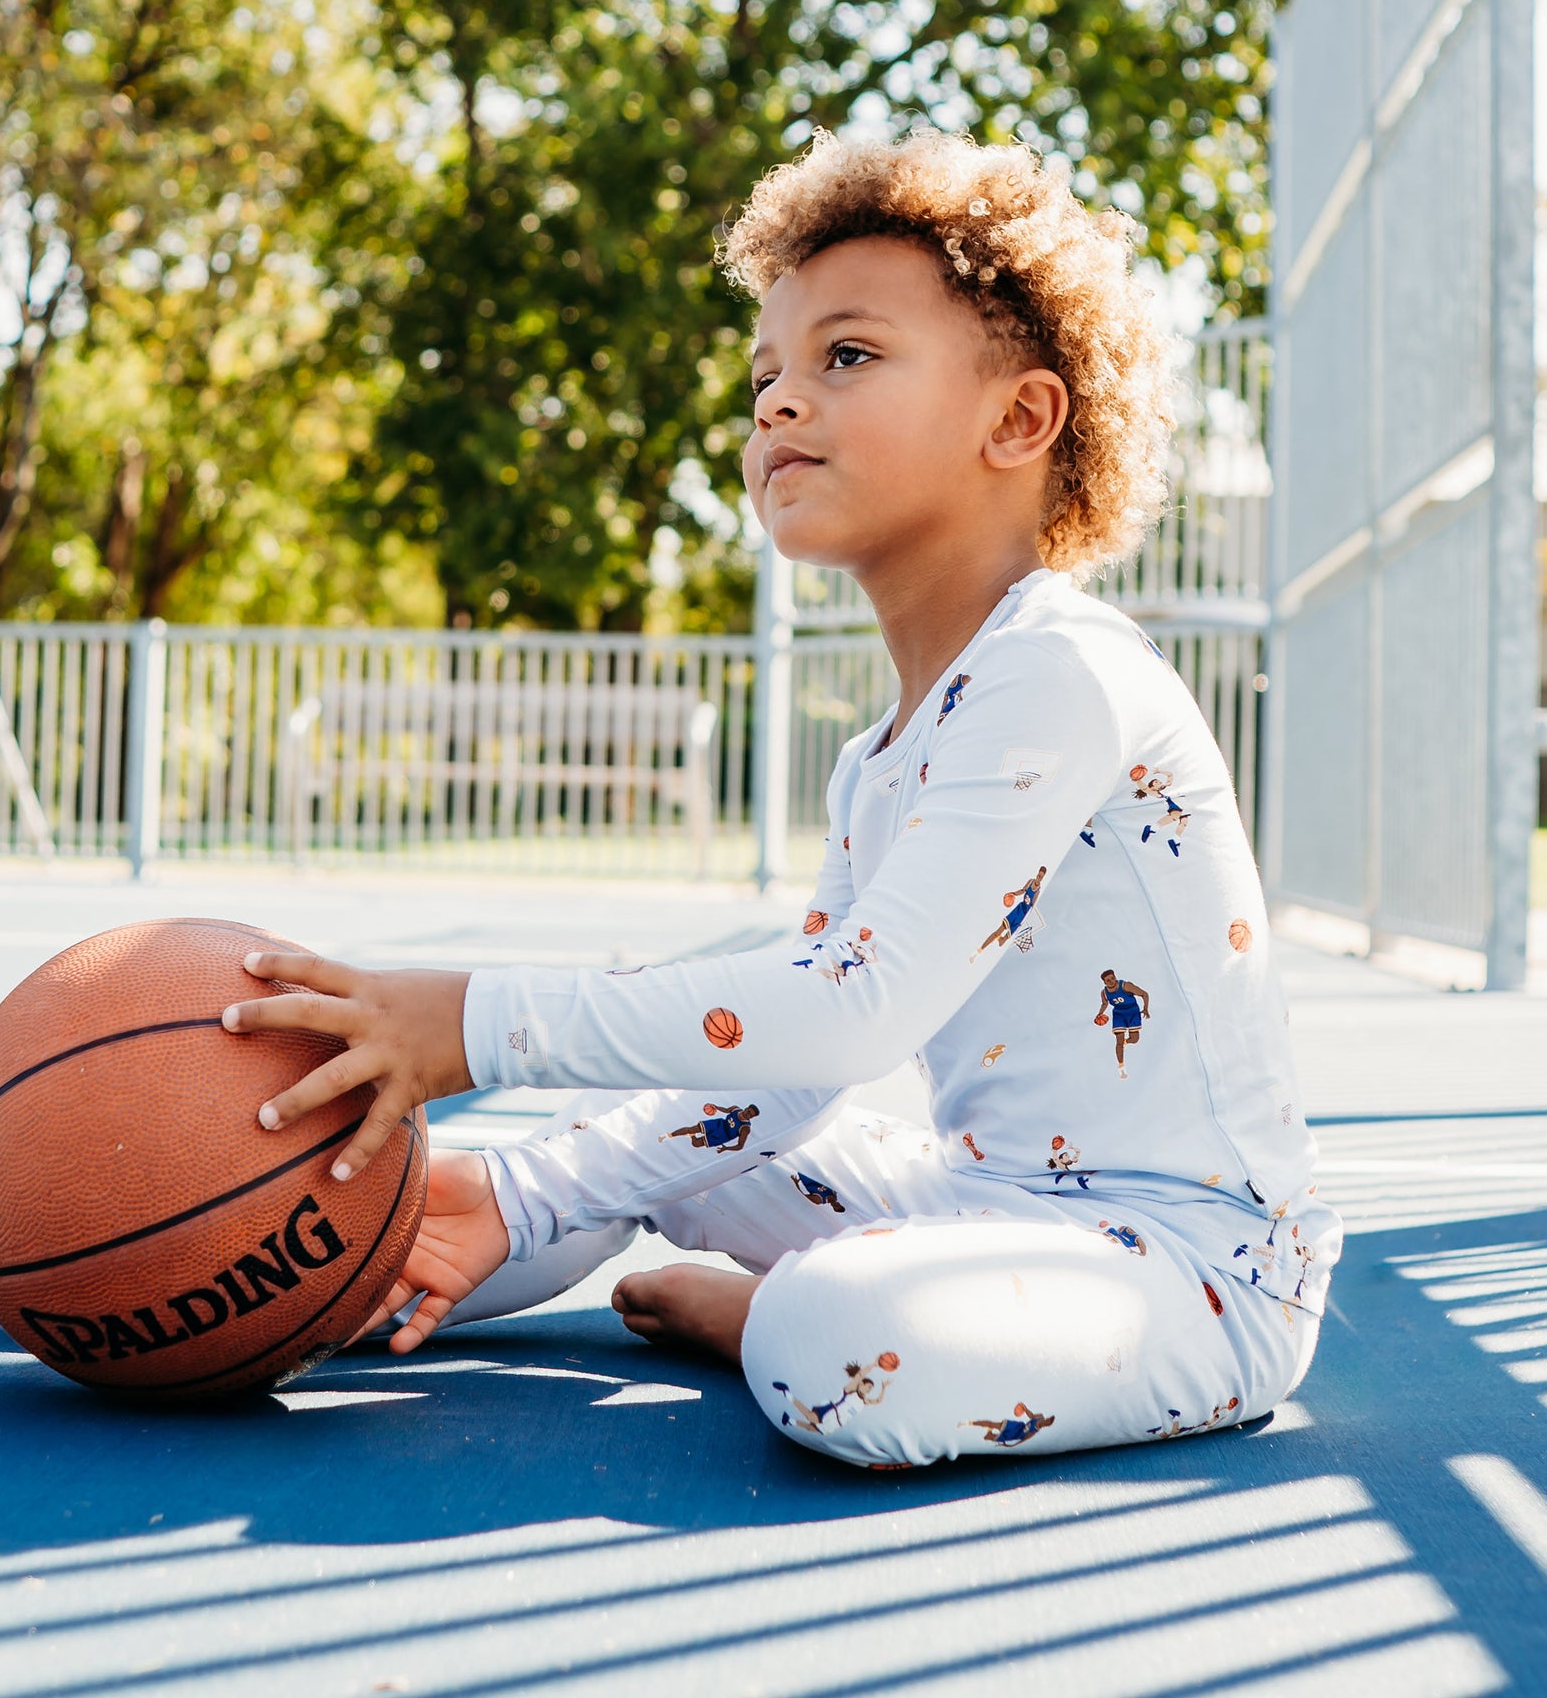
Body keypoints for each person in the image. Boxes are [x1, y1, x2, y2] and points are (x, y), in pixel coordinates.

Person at [221, 131, 1336, 1468]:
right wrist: (522, 1195)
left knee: (830, 1335)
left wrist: (476, 1019)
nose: (776, 406)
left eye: (844, 358)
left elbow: (859, 1008)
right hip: (976, 1205)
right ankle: (390, 1260)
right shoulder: (877, 757)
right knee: (637, 1118)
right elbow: (795, 1060)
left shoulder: (1063, 666)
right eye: (766, 375)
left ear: (1021, 420)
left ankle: (764, 1320)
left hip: (1190, 1267)